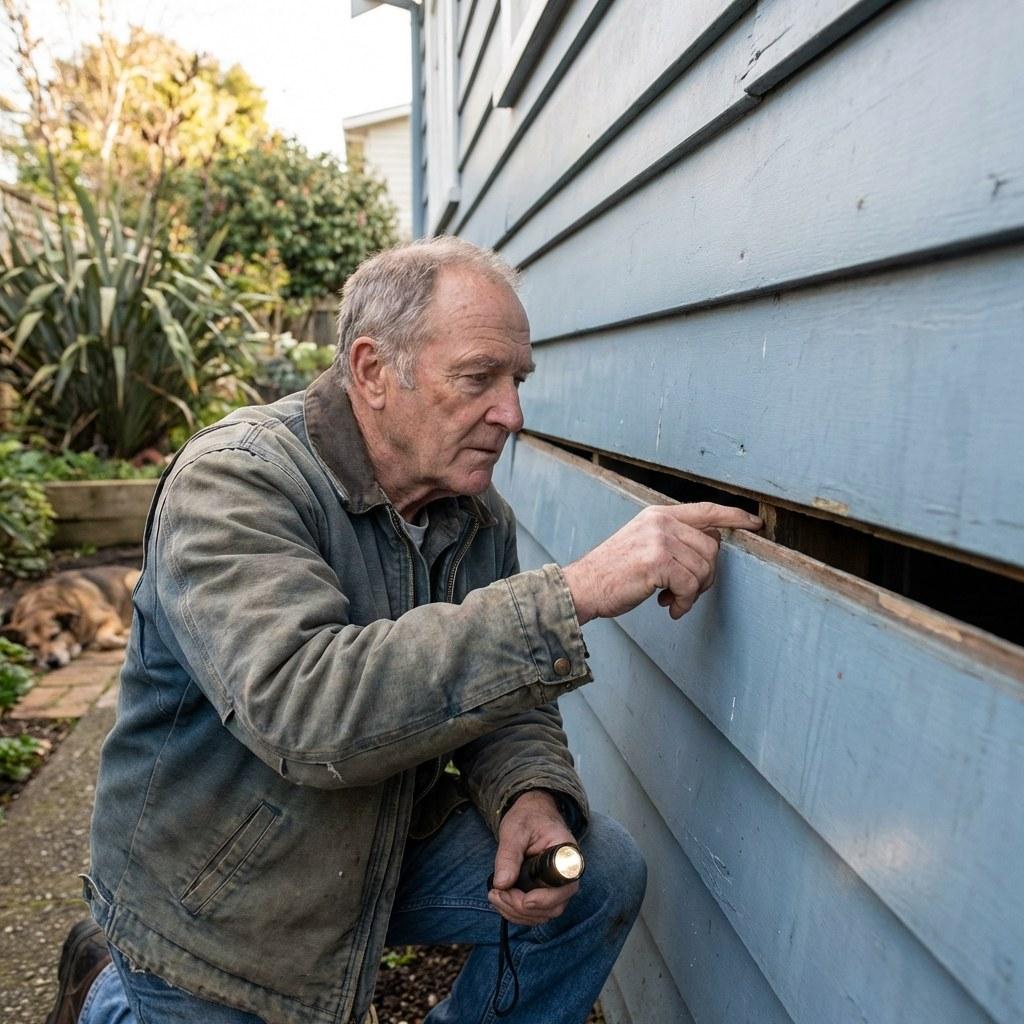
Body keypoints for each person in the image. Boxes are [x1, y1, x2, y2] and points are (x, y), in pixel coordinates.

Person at [46, 237, 762, 1024]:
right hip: (216, 898)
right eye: (478, 377)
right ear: (372, 371)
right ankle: (109, 993)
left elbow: (509, 696)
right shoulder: (235, 482)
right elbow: (305, 708)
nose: (512, 413)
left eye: (516, 379)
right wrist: (575, 591)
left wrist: (528, 794)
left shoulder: (475, 516)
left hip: (376, 838)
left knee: (595, 875)